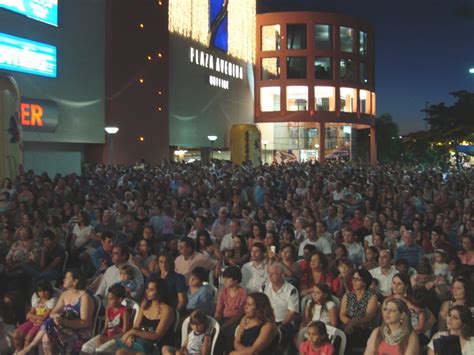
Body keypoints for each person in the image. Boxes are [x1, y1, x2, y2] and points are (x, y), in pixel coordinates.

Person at [19, 270, 94, 355]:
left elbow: (85, 322)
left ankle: (30, 347)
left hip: (79, 333)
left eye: (66, 277)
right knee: (46, 337)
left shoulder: (84, 297)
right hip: (65, 328)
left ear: (75, 281)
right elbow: (53, 312)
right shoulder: (65, 294)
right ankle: (30, 347)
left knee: (48, 330)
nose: (63, 279)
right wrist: (56, 316)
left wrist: (63, 321)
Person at [116, 278, 175, 354]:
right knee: (120, 352)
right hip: (142, 344)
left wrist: (133, 332)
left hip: (157, 347)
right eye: (147, 288)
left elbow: (157, 336)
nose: (147, 292)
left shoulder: (167, 310)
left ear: (159, 292)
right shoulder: (145, 306)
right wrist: (131, 335)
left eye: (151, 290)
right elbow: (136, 326)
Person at [81, 284, 130, 353]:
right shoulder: (108, 309)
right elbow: (106, 326)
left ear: (120, 299)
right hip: (106, 336)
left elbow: (124, 332)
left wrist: (107, 339)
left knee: (100, 350)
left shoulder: (124, 312)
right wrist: (101, 336)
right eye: (108, 298)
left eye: (111, 299)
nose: (108, 301)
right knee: (86, 347)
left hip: (116, 339)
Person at [12, 280, 57, 353]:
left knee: (28, 338)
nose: (42, 294)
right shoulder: (36, 298)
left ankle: (24, 353)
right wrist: (33, 317)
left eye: (45, 291)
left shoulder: (52, 300)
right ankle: (19, 351)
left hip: (43, 324)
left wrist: (32, 316)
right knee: (16, 335)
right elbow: (30, 313)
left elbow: (44, 317)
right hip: (33, 321)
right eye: (40, 291)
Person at [339, 269, 378, 351]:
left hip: (363, 328)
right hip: (347, 325)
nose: (354, 281)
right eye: (353, 278)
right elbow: (342, 315)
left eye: (357, 279)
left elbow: (368, 317)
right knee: (341, 334)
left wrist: (353, 324)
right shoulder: (348, 295)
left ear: (364, 282)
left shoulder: (371, 297)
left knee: (346, 337)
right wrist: (350, 324)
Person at [264, 263, 299, 352]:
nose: (270, 276)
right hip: (266, 321)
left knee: (272, 339)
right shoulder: (264, 287)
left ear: (282, 275)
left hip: (283, 324)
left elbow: (292, 312)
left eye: (274, 274)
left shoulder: (291, 290)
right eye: (269, 273)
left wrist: (280, 326)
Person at [214, 266, 248, 354]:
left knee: (229, 333)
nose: (224, 280)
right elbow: (219, 310)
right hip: (223, 318)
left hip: (236, 321)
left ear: (236, 280)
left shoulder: (243, 292)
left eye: (227, 278)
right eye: (224, 277)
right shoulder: (223, 291)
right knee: (215, 332)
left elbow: (240, 313)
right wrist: (216, 322)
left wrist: (224, 326)